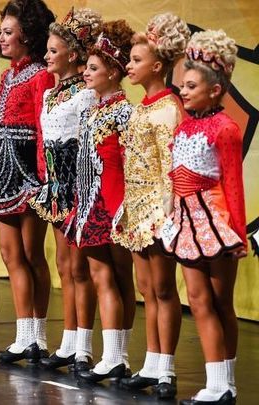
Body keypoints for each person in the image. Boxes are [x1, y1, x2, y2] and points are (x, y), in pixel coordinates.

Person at [162, 30, 246, 405]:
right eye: (182, 84)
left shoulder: (225, 128)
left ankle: (224, 383)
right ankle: (217, 385)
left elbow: (233, 182)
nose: (183, 90)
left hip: (215, 220)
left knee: (219, 301)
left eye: (191, 85)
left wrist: (238, 234)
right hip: (185, 220)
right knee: (197, 300)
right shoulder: (184, 125)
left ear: (214, 90)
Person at [0, 0, 56, 363]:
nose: (2, 39)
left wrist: (42, 176)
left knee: (32, 254)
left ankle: (37, 335)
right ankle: (25, 334)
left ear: (27, 36)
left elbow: (42, 127)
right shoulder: (6, 76)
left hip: (29, 173)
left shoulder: (40, 75)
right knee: (10, 254)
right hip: (3, 172)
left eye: (8, 33)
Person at [115, 13, 190, 399]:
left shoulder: (168, 108)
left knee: (163, 289)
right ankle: (150, 362)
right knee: (146, 288)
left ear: (157, 65)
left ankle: (167, 369)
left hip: (158, 209)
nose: (128, 65)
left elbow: (171, 168)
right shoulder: (143, 105)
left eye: (136, 60)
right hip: (137, 205)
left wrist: (167, 215)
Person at [29, 7, 102, 372]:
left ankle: (84, 346)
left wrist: (82, 194)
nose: (46, 56)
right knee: (64, 266)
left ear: (73, 55)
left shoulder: (86, 96)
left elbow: (88, 149)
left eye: (53, 50)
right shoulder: (50, 95)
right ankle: (69, 339)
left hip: (78, 189)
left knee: (79, 269)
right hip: (56, 188)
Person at [66, 20, 136, 382]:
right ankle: (114, 355)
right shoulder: (92, 110)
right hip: (90, 201)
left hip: (111, 204)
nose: (86, 73)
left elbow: (129, 163)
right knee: (103, 275)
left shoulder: (124, 112)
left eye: (93, 68)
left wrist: (123, 208)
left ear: (113, 71)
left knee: (114, 276)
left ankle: (116, 355)